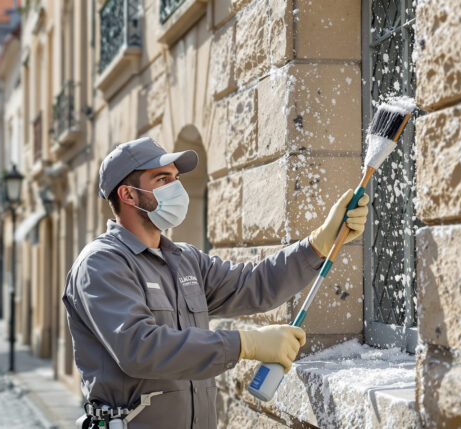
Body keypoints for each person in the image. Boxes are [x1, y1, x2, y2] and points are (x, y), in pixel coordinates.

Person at [63, 137, 369, 428]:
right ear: (128, 195)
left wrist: (319, 243)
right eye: (162, 179)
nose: (176, 187)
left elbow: (252, 284)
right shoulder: (101, 264)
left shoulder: (185, 259)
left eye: (176, 178)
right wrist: (245, 344)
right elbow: (139, 348)